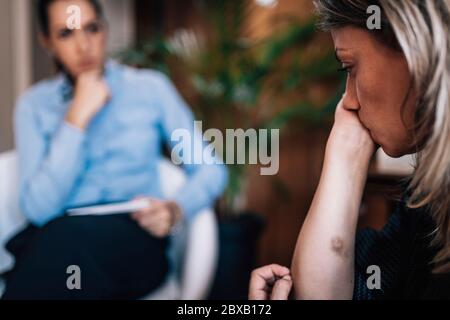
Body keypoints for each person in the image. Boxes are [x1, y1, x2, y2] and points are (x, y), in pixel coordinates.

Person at [2, 0, 227, 300]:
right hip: (57, 237)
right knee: (60, 249)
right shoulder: (34, 106)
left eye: (91, 29)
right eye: (66, 34)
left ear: (105, 31)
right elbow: (38, 210)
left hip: (133, 238)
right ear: (47, 43)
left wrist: (176, 209)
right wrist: (75, 121)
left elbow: (211, 168)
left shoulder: (150, 89)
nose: (84, 45)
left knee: (57, 254)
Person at [249, 0, 450, 300]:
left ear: (414, 47)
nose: (348, 101)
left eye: (350, 67)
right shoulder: (425, 202)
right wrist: (345, 150)